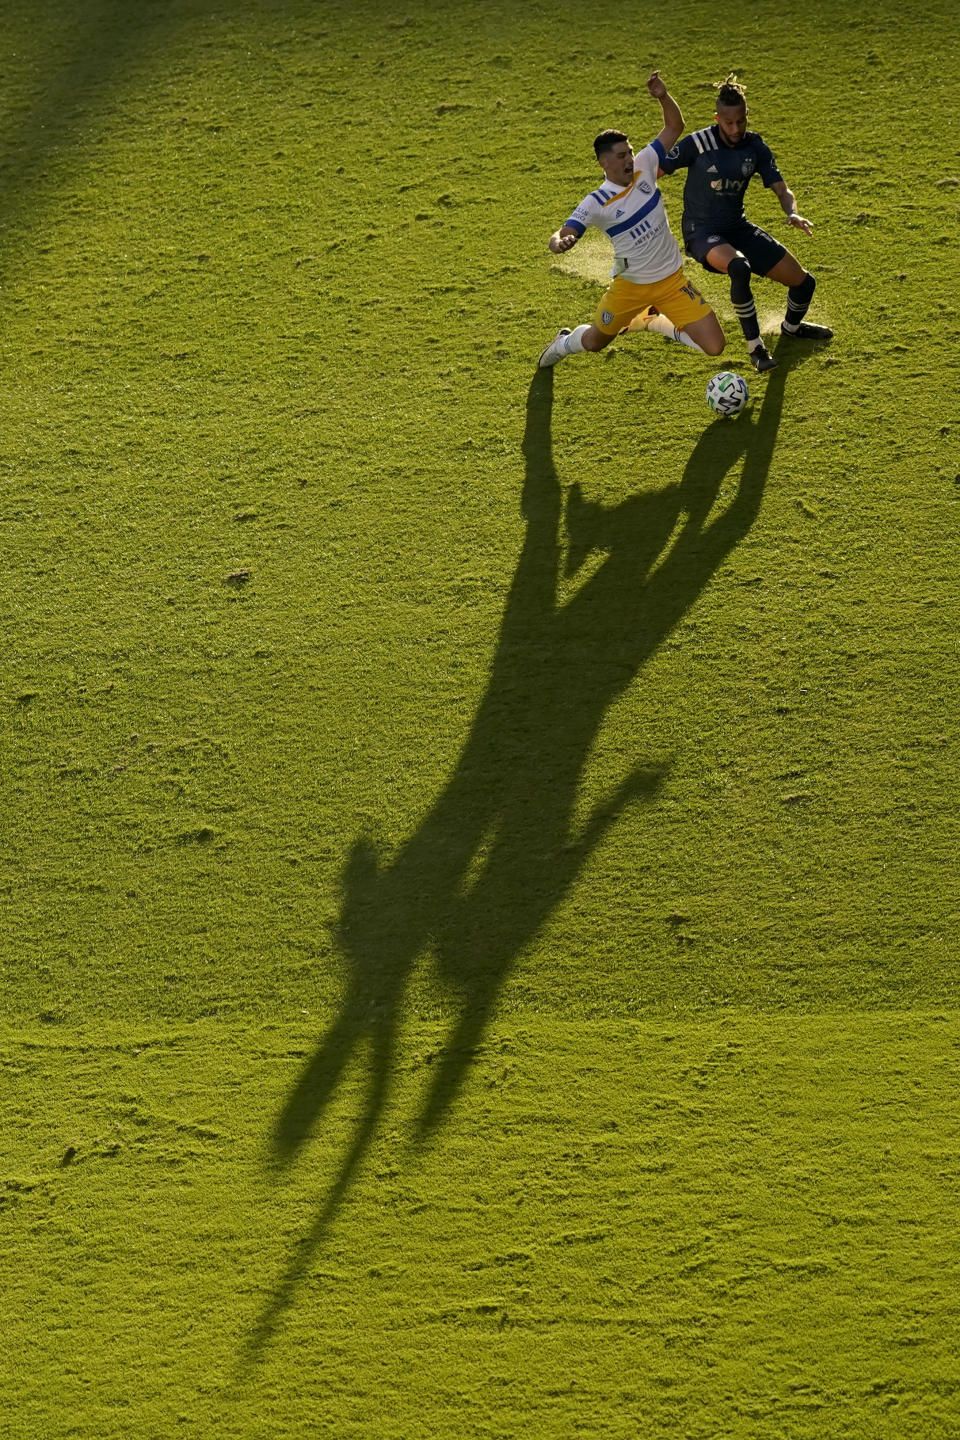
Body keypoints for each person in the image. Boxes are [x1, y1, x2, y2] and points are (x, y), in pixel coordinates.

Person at [538, 72, 726, 370]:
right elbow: (564, 230)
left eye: (631, 152)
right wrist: (559, 242)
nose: (630, 159)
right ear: (604, 163)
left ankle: (653, 322)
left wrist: (663, 96)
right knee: (595, 343)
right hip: (630, 288)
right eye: (623, 155)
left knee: (715, 346)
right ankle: (564, 342)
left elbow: (674, 126)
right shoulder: (596, 202)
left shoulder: (645, 165)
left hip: (672, 283)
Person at [658, 74, 832, 373]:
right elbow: (656, 169)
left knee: (804, 283)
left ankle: (790, 328)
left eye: (740, 121)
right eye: (728, 123)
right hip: (702, 233)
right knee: (740, 267)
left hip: (737, 228)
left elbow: (781, 187)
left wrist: (792, 212)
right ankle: (756, 348)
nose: (735, 129)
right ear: (717, 118)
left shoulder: (755, 147)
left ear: (746, 115)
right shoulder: (698, 143)